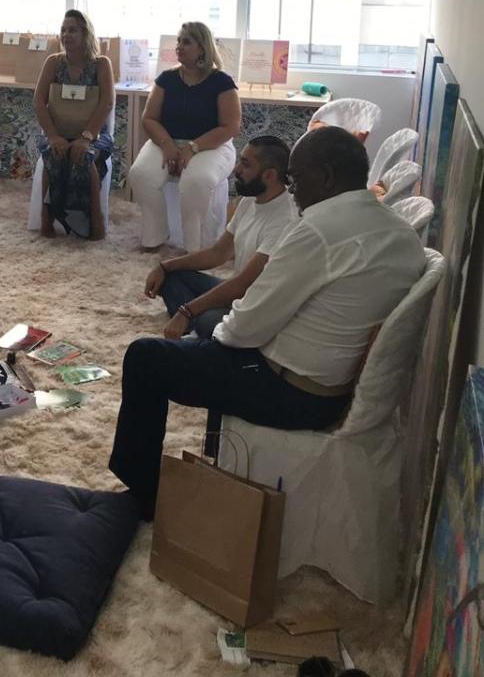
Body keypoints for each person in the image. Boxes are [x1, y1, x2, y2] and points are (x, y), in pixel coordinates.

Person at [109, 126, 426, 517]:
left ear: (326, 177)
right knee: (206, 348)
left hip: (292, 392)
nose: (293, 191)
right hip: (330, 387)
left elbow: (245, 328)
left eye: (297, 179)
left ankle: (143, 497)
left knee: (146, 358)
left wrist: (208, 332)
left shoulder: (317, 232)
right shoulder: (401, 233)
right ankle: (214, 455)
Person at [144, 135, 296, 338]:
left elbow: (243, 284)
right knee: (170, 277)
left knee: (207, 322)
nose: (236, 170)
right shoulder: (250, 200)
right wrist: (164, 267)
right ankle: (196, 329)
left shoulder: (285, 219)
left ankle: (196, 329)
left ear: (269, 175)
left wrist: (187, 310)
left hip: (254, 306)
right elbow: (218, 253)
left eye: (245, 164)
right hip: (236, 293)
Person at [128, 21, 241, 251]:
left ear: (202, 48)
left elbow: (230, 126)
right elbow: (149, 118)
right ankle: (155, 237)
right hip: (166, 141)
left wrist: (193, 147)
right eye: (178, 41)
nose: (179, 46)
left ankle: (195, 248)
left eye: (186, 42)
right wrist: (167, 145)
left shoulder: (222, 82)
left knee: (196, 182)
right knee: (140, 175)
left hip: (211, 146)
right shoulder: (166, 79)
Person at [32, 9, 115, 240]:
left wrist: (87, 137)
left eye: (72, 30)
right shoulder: (53, 62)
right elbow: (38, 101)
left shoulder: (101, 64)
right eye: (63, 30)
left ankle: (95, 218)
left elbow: (107, 103)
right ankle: (46, 218)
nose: (66, 35)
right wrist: (53, 136)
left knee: (84, 157)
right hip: (57, 132)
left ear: (85, 34)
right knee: (53, 155)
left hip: (94, 134)